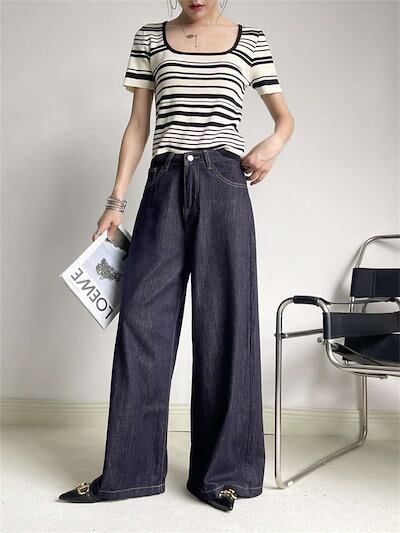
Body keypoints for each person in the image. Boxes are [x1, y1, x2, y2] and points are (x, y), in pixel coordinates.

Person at [59, 0, 294, 512]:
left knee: (227, 324)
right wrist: (116, 202)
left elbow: (285, 117)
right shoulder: (149, 37)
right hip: (164, 182)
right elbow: (138, 124)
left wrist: (272, 144)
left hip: (224, 183)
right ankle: (128, 472)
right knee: (142, 321)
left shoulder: (250, 40)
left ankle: (222, 474)